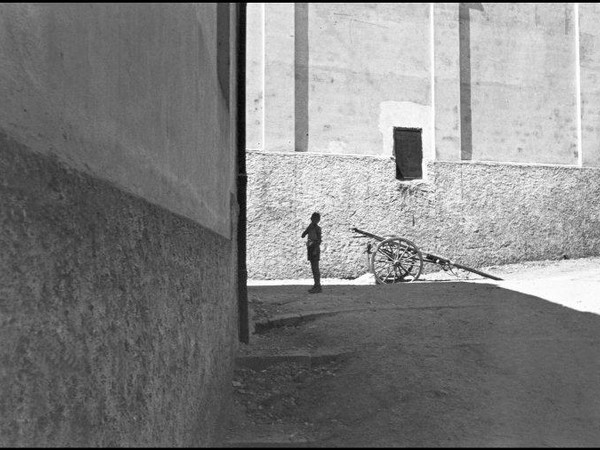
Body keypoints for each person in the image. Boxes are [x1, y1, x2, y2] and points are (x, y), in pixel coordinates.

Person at [301, 212, 322, 293]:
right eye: (312, 219)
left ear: (317, 220)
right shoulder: (311, 227)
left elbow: (319, 240)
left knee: (315, 268)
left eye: (314, 219)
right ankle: (316, 285)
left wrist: (315, 249)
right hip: (310, 248)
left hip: (314, 248)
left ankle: (318, 286)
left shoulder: (317, 228)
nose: (312, 220)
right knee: (313, 268)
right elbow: (304, 234)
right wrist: (305, 232)